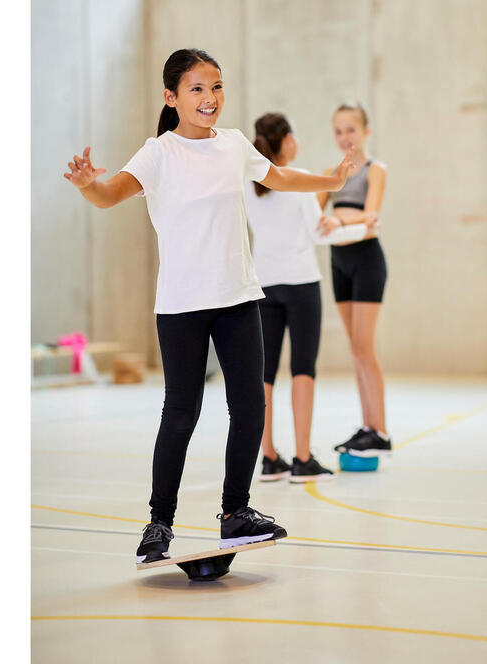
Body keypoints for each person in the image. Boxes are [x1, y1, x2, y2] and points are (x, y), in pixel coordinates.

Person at [63, 49, 357, 563]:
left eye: (217, 87)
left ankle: (236, 512)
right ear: (171, 97)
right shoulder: (158, 153)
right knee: (182, 412)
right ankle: (159, 524)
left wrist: (330, 181)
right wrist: (89, 184)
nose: (210, 98)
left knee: (249, 408)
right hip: (180, 304)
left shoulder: (235, 145)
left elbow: (279, 178)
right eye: (198, 89)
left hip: (238, 297)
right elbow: (110, 195)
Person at [245, 113, 378, 483]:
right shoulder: (298, 181)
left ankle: (269, 458)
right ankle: (303, 459)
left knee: (265, 374)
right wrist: (361, 226)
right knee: (303, 370)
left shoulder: (249, 183)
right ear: (287, 140)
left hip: (263, 286)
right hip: (301, 286)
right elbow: (321, 235)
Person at [317, 102, 391, 458]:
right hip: (338, 261)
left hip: (366, 260)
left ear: (365, 132)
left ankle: (381, 429)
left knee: (365, 347)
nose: (345, 137)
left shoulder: (376, 169)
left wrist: (339, 221)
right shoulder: (331, 172)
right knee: (355, 349)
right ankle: (367, 426)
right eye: (339, 131)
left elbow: (371, 217)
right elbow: (312, 212)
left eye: (351, 129)